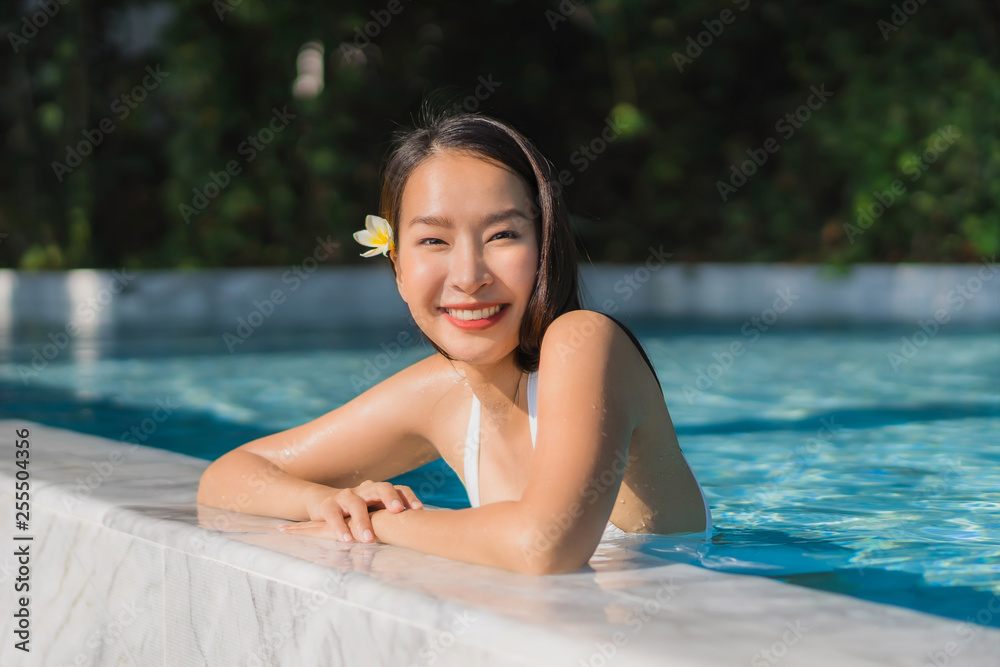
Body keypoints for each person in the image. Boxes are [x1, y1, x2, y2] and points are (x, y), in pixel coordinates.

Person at [196, 107, 712, 575]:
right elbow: (228, 478)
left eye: (503, 235)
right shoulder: (445, 396)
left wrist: (383, 525)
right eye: (434, 241)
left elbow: (544, 545)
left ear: (546, 247)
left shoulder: (586, 342)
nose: (468, 276)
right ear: (398, 266)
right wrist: (327, 503)